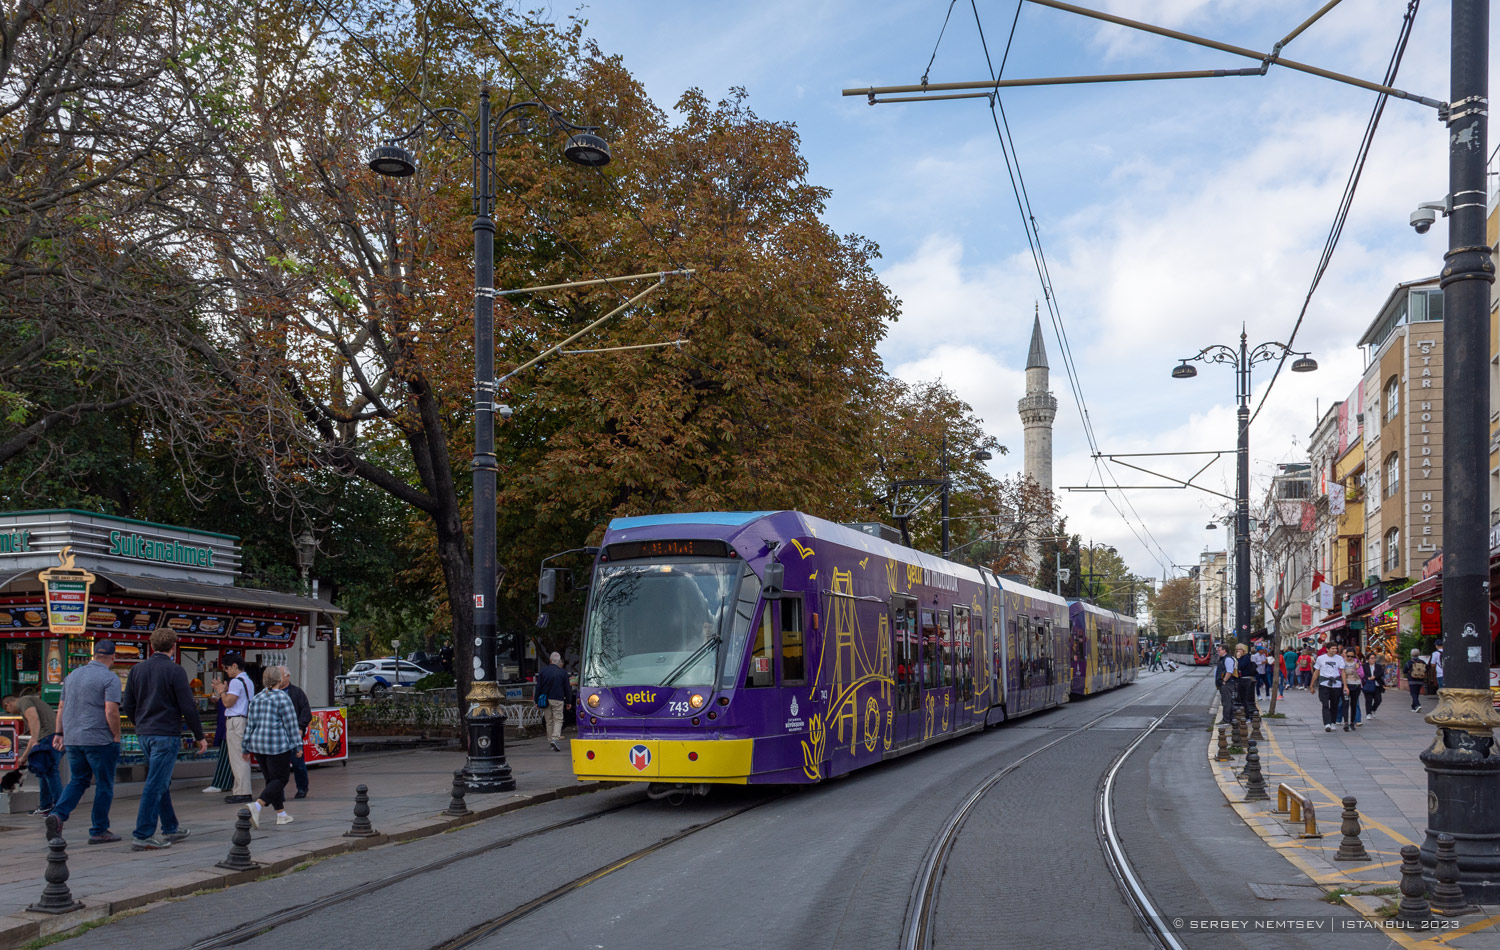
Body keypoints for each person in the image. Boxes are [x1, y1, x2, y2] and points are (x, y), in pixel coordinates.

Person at [121, 628, 206, 850]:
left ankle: (170, 826)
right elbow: (187, 706)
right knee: (156, 783)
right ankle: (143, 833)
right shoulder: (175, 671)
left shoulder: (137, 670)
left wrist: (140, 721)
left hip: (144, 733)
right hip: (166, 733)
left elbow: (127, 704)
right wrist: (199, 735)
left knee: (161, 780)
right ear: (173, 647)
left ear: (151, 646)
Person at [46, 640, 122, 844]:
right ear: (113, 657)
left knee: (78, 780)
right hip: (99, 739)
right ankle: (99, 830)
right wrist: (116, 735)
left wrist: (59, 733)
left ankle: (58, 815)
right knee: (104, 784)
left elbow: (61, 708)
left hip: (73, 739)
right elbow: (110, 710)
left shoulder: (72, 676)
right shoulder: (110, 678)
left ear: (94, 655)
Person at [242, 666, 301, 827]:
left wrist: (245, 747)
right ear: (279, 680)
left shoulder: (257, 698)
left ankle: (281, 814)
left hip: (258, 745)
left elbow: (250, 725)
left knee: (271, 781)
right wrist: (298, 745)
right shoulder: (283, 698)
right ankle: (257, 805)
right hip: (277, 745)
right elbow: (291, 724)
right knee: (281, 779)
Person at [3, 691, 61, 816]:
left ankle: (59, 807)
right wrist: (24, 756)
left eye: (7, 709)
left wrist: (35, 741)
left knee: (50, 772)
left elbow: (33, 718)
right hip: (49, 737)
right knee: (43, 771)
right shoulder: (32, 702)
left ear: (8, 704)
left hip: (48, 738)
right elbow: (34, 734)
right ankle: (45, 806)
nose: (10, 713)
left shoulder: (24, 701)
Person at [215, 653, 255, 804]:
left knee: (238, 758)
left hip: (236, 721)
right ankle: (239, 790)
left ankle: (243, 792)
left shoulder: (236, 682)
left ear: (234, 666)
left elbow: (228, 702)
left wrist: (221, 691)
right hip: (243, 719)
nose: (226, 671)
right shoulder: (248, 680)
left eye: (226, 667)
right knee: (241, 756)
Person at [277, 666, 313, 799]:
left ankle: (302, 788)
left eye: (280, 675)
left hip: (293, 734)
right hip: (277, 735)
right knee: (279, 766)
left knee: (298, 763)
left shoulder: (297, 692)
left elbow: (306, 712)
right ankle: (278, 791)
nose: (278, 679)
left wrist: (300, 727)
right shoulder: (271, 692)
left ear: (287, 676)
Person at [201, 672, 232, 794]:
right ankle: (229, 783)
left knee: (226, 757)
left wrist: (221, 694)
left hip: (228, 729)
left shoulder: (232, 693)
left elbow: (226, 705)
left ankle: (220, 783)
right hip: (229, 729)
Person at [537, 652, 572, 752]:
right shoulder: (563, 672)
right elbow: (567, 688)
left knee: (549, 721)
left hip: (545, 699)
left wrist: (536, 700)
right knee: (558, 719)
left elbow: (538, 687)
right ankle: (555, 738)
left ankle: (550, 741)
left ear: (550, 660)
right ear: (559, 662)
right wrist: (568, 701)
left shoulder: (543, 671)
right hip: (558, 699)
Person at [1314, 644, 1347, 733]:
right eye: (1332, 648)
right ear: (1327, 649)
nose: (1334, 650)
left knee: (1334, 704)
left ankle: (1333, 722)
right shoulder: (1320, 658)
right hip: (1324, 684)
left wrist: (1345, 685)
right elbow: (1316, 671)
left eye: (1335, 648)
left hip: (1336, 684)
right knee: (1325, 704)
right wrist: (1311, 684)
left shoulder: (1339, 658)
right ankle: (1327, 723)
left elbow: (1342, 672)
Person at [1341, 648, 1364, 731]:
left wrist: (1358, 669)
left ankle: (1352, 722)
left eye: (1352, 656)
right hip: (1346, 685)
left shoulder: (1357, 662)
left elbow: (1362, 675)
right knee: (1345, 704)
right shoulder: (1342, 662)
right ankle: (1346, 723)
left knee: (1354, 704)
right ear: (1345, 654)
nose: (1350, 658)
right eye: (1348, 656)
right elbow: (1340, 673)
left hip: (1356, 685)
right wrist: (1345, 685)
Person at [1214, 644, 1236, 723]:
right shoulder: (1223, 659)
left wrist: (1224, 681)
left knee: (1227, 702)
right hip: (1223, 684)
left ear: (1224, 650)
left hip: (1227, 684)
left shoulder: (1228, 659)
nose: (1218, 652)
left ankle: (1227, 719)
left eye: (1219, 650)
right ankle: (1228, 718)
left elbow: (1229, 671)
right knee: (1225, 701)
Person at [1361, 652, 1385, 719]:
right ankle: (1368, 713)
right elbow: (1362, 674)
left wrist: (1375, 676)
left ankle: (1373, 709)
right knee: (1368, 700)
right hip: (1368, 684)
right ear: (1368, 659)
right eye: (1371, 658)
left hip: (1376, 684)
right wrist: (1368, 677)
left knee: (1378, 699)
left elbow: (1381, 673)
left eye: (1374, 658)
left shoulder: (1378, 666)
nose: (1373, 660)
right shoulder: (1364, 666)